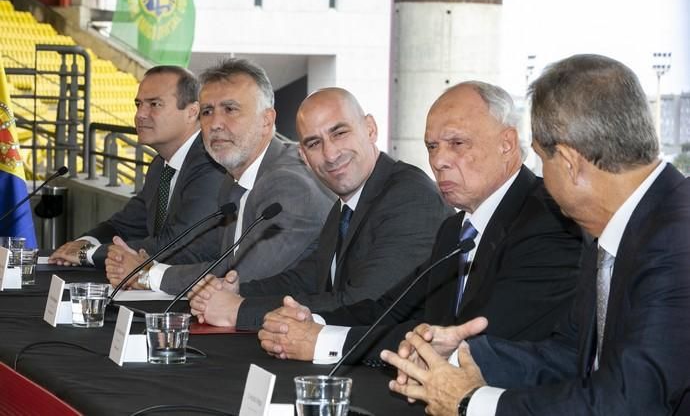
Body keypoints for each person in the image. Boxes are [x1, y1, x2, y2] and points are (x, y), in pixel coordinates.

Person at [381, 55, 690, 415]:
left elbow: (631, 401)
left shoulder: (677, 242)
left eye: (541, 159)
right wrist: (462, 356)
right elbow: (571, 356)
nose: (539, 174)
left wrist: (471, 403)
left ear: (569, 162)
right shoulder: (610, 234)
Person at [256, 81, 583, 365]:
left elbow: (465, 342)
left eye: (457, 144)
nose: (439, 161)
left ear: (507, 144)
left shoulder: (549, 220)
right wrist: (304, 322)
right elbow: (390, 309)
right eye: (432, 147)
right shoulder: (455, 231)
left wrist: (325, 342)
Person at [188, 87, 453, 329]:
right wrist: (237, 292)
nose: (330, 154)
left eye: (339, 133)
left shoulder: (410, 197)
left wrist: (241, 311)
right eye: (314, 143)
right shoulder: (346, 202)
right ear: (303, 156)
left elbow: (366, 304)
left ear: (370, 129)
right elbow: (310, 277)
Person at [104, 58, 334, 293]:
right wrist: (140, 265)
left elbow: (238, 276)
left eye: (230, 109)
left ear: (266, 121)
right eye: (207, 111)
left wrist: (148, 275)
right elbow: (212, 253)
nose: (215, 124)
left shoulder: (290, 184)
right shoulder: (231, 180)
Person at [49, 66, 226, 268]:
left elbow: (178, 246)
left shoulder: (210, 164)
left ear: (192, 112)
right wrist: (85, 242)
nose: (140, 114)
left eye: (154, 104)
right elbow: (125, 225)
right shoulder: (161, 165)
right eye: (138, 104)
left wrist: (88, 254)